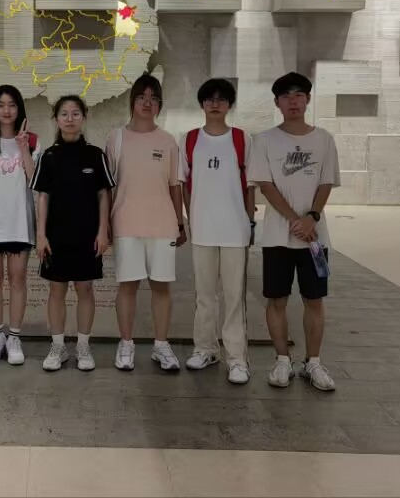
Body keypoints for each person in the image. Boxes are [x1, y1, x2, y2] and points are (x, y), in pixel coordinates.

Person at [247, 72, 340, 392]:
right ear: (277, 103)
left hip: (315, 238)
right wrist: (294, 220)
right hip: (277, 236)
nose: (293, 101)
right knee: (277, 298)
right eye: (286, 96)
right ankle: (282, 360)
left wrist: (312, 217)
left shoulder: (324, 139)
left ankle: (313, 362)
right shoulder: (264, 140)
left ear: (308, 99)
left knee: (314, 299)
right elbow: (265, 185)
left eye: (299, 94)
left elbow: (326, 182)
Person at [105, 74, 185, 372]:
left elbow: (175, 185)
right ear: (132, 102)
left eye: (153, 98)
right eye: (142, 97)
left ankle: (161, 345)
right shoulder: (116, 138)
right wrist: (105, 223)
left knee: (161, 288)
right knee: (127, 287)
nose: (147, 103)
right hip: (125, 223)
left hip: (162, 226)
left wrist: (180, 223)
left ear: (160, 105)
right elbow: (107, 187)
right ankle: (126, 344)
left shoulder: (168, 141)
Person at [179, 78, 256, 385]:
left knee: (235, 297)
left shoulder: (241, 138)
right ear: (202, 103)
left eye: (221, 99)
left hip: (235, 229)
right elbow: (184, 184)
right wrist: (191, 218)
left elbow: (250, 186)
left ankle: (237, 358)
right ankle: (206, 349)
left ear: (229, 105)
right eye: (209, 99)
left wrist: (249, 222)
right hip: (203, 230)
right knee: (205, 295)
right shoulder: (189, 139)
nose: (215, 104)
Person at [31, 95, 114, 372]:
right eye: (64, 114)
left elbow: (103, 195)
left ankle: (83, 346)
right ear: (56, 119)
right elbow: (43, 197)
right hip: (55, 236)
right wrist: (40, 235)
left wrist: (103, 231)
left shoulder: (95, 155)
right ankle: (58, 347)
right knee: (56, 289)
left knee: (85, 289)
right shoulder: (48, 156)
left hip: (88, 236)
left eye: (75, 113)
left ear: (83, 117)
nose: (70, 119)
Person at [0, 85, 41, 366]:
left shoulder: (32, 140)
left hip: (20, 221)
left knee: (18, 280)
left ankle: (14, 336)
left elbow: (34, 179)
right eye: (1, 105)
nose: (6, 110)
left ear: (19, 109)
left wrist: (23, 146)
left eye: (12, 105)